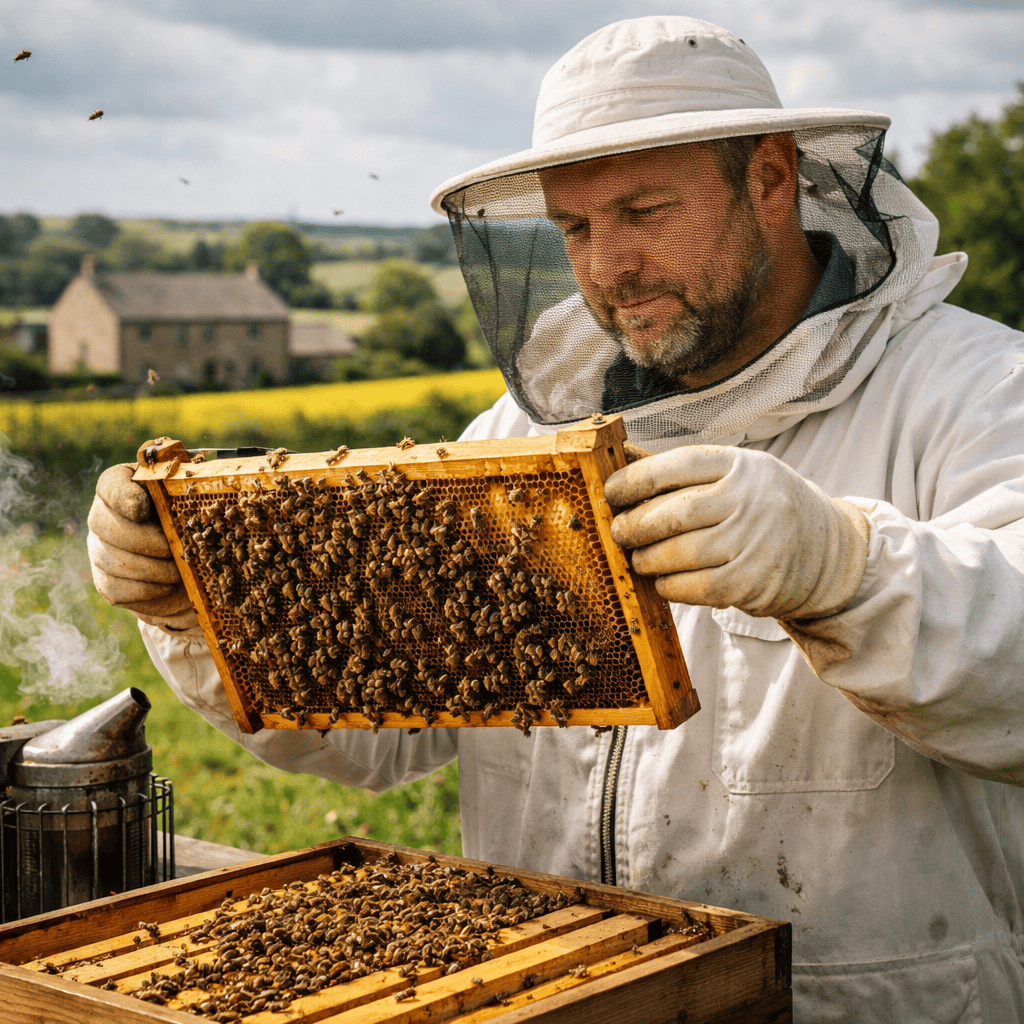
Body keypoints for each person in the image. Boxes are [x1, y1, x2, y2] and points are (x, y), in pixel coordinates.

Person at [87, 17, 1024, 1021]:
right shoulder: (516, 436)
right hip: (552, 992)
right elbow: (378, 735)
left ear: (769, 177)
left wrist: (846, 566)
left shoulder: (973, 391)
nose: (607, 264)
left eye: (642, 209)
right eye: (574, 228)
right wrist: (206, 608)